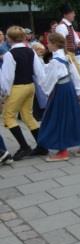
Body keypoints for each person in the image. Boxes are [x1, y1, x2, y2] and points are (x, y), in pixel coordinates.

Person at [37, 33, 80, 162]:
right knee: (72, 117)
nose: (47, 45)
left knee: (58, 119)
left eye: (49, 43)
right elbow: (75, 76)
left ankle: (62, 151)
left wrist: (45, 90)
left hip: (61, 91)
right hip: (69, 90)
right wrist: (79, 92)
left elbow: (47, 83)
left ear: (55, 44)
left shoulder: (56, 61)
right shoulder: (66, 57)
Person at [0, 26, 46, 160]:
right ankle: (42, 146)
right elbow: (39, 71)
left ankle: (24, 146)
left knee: (8, 117)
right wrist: (44, 88)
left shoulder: (10, 54)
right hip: (30, 86)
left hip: (17, 88)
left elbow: (7, 77)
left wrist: (4, 94)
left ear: (10, 38)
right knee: (28, 116)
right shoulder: (30, 51)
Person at [55, 4, 80, 71]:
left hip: (71, 54)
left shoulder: (69, 26)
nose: (74, 15)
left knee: (78, 76)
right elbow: (61, 44)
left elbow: (75, 38)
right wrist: (66, 57)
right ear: (65, 15)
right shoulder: (62, 26)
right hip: (67, 55)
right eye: (72, 13)